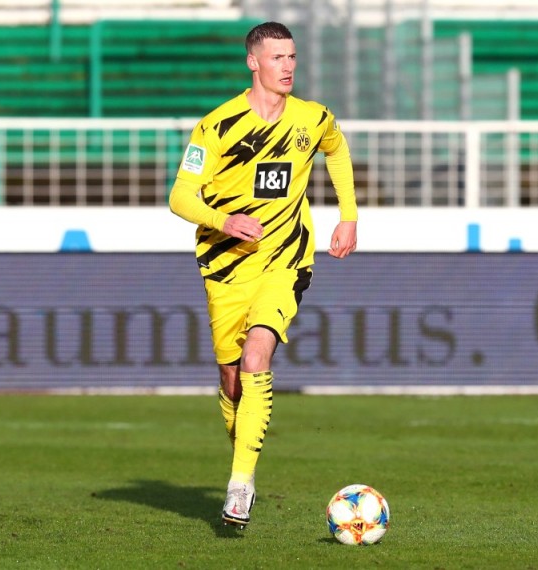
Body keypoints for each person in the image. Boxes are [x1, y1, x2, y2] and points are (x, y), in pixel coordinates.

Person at [168, 21, 358, 529]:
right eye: (277, 57)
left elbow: (336, 149)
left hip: (286, 258)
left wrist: (349, 216)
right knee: (232, 379)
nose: (288, 66)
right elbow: (180, 196)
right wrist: (223, 220)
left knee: (257, 356)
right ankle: (243, 461)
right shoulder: (217, 126)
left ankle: (239, 485)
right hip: (226, 264)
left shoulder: (313, 118)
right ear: (253, 62)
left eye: (292, 56)